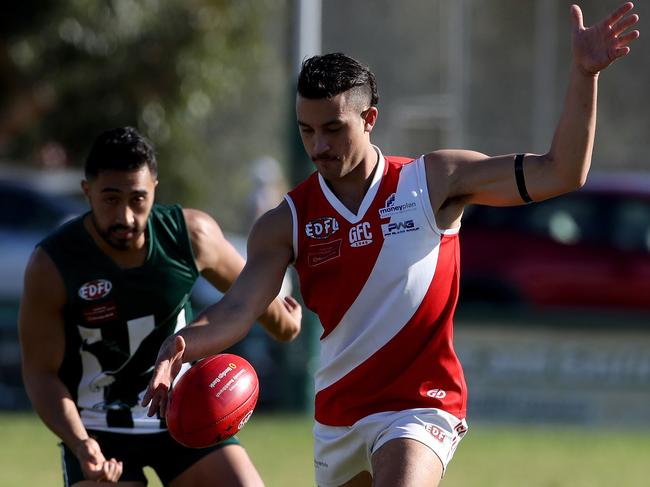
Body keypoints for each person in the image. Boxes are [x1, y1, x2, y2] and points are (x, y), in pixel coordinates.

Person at [144, 3, 639, 486]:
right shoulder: (284, 222)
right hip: (338, 416)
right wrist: (180, 346)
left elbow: (562, 172)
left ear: (370, 119)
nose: (318, 147)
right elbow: (237, 308)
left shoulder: (435, 181)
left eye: (333, 129)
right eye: (307, 131)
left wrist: (585, 76)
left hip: (421, 405)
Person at [18, 126, 302, 486]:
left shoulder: (191, 235)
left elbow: (248, 298)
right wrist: (81, 444)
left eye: (137, 199)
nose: (125, 217)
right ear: (87, 192)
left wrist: (285, 323)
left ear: (154, 188)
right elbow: (41, 373)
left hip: (184, 415)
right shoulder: (52, 264)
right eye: (110, 199)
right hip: (99, 430)